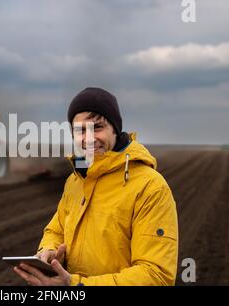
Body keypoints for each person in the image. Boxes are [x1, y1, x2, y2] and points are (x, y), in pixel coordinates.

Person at [13, 87, 179, 286]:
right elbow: (56, 230)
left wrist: (76, 286)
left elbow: (156, 276)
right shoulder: (76, 181)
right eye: (80, 130)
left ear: (115, 129)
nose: (88, 138)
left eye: (97, 127)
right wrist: (48, 251)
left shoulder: (151, 188)